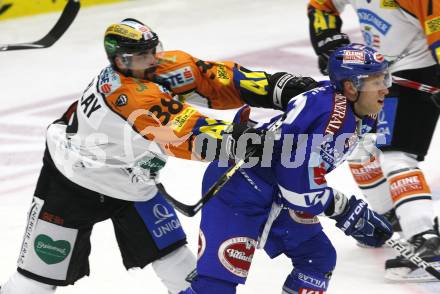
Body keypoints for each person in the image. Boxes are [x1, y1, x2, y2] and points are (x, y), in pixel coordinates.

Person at [0, 18, 318, 294]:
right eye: (139, 57)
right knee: (35, 283)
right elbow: (184, 133)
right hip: (72, 182)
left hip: (131, 183)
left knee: (175, 258)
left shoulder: (160, 67)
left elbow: (217, 78)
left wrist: (279, 87)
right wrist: (243, 141)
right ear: (119, 61)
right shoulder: (127, 96)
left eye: (152, 51)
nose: (150, 60)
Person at [179, 44, 393, 294]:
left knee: (317, 259)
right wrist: (346, 210)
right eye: (376, 81)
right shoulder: (328, 119)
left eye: (384, 78)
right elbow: (299, 191)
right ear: (350, 87)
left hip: (276, 190)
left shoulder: (361, 111)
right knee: (215, 288)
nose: (385, 88)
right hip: (239, 189)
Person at [307, 0, 440, 281]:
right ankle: (388, 216)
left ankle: (426, 237)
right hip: (381, 76)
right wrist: (328, 43)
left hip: (420, 74)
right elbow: (321, 5)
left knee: (396, 156)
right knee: (360, 150)